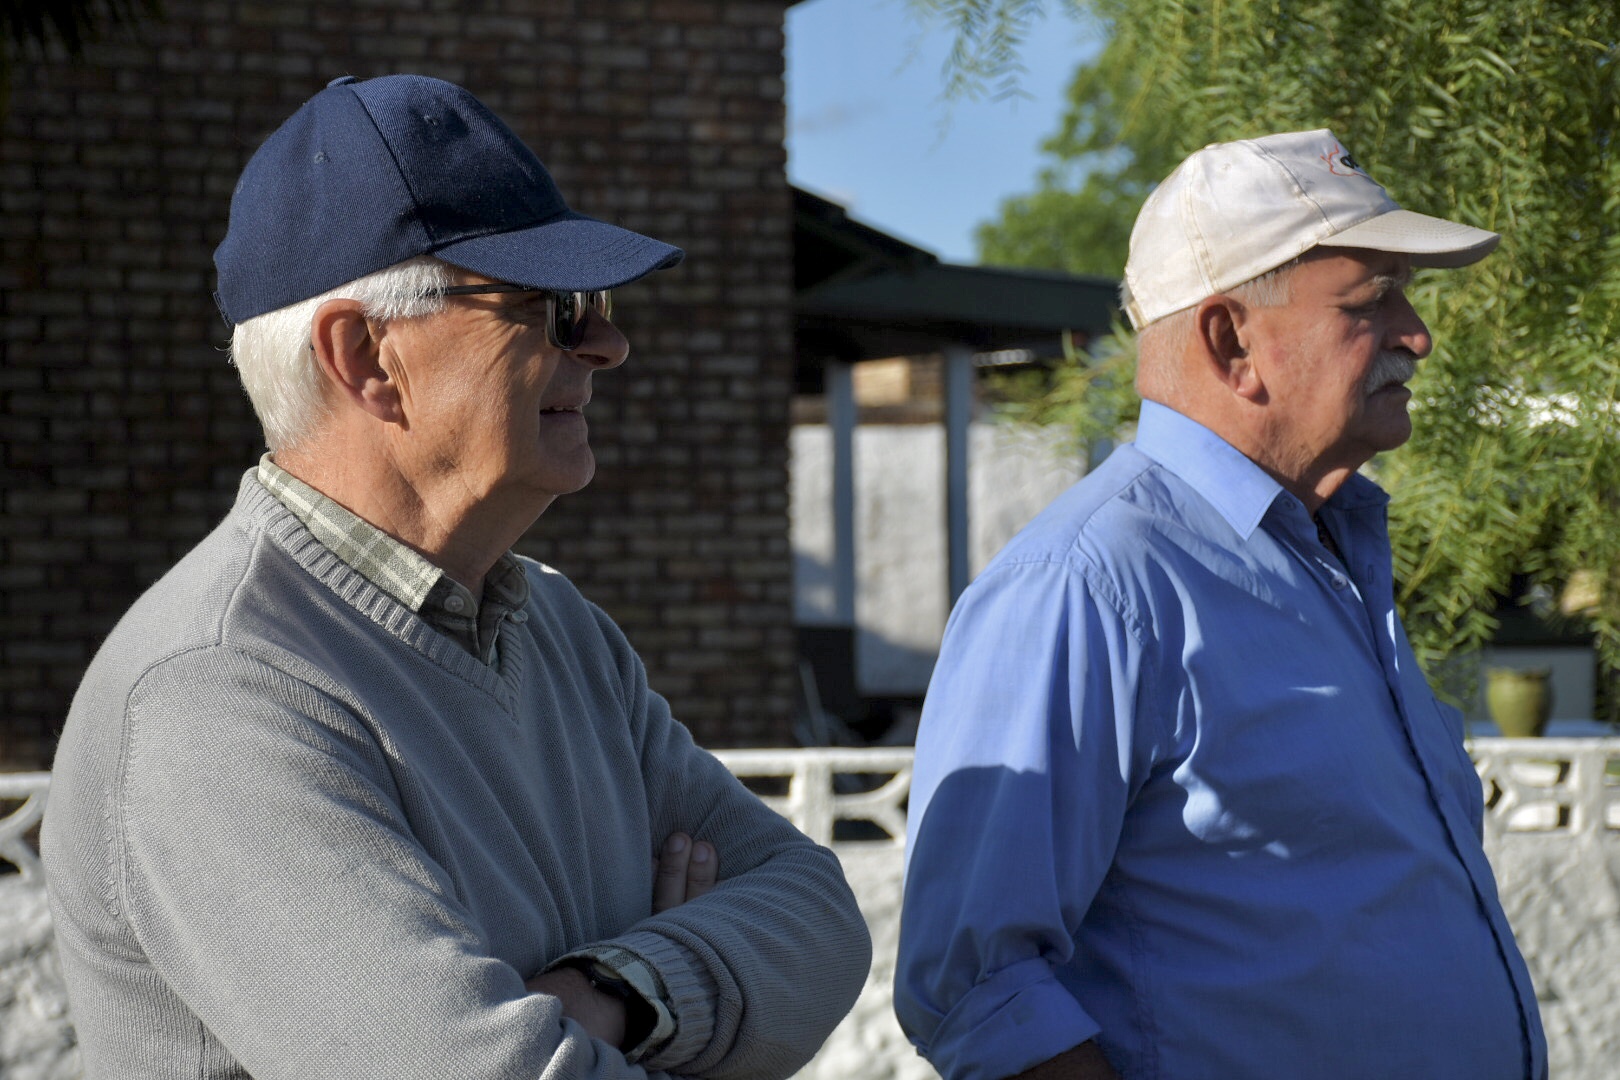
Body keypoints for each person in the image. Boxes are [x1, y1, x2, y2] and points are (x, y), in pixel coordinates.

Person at [43, 74, 870, 1080]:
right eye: (554, 309)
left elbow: (818, 913)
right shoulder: (215, 692)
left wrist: (614, 994)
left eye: (593, 303)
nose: (608, 344)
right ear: (365, 357)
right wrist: (700, 989)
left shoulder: (560, 629)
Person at [894, 130, 1548, 1080]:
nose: (1418, 334)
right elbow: (975, 985)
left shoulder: (1328, 555)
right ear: (1231, 340)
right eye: (1374, 301)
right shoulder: (1090, 585)